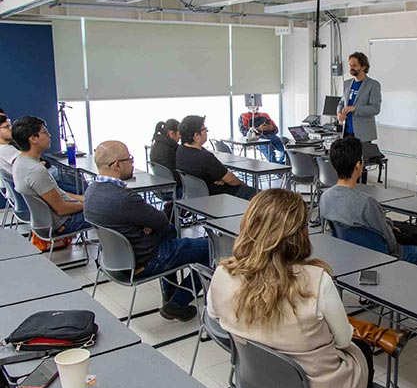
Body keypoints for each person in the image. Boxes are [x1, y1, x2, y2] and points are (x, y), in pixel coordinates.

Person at [207, 188, 406, 388]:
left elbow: (213, 316)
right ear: (299, 234)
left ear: (249, 224)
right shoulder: (316, 280)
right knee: (361, 350)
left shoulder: (223, 273)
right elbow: (343, 341)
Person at [84, 140, 208, 321]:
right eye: (130, 159)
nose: (133, 163)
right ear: (117, 165)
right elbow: (162, 222)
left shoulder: (91, 191)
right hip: (148, 259)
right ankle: (177, 303)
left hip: (117, 260)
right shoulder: (124, 199)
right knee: (211, 247)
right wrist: (148, 227)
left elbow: (157, 225)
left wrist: (149, 227)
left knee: (170, 234)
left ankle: (171, 293)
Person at [319, 137, 417, 269]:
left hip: (348, 254)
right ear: (358, 165)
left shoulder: (325, 197)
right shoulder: (367, 203)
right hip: (381, 257)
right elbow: (391, 244)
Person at [12, 116, 89, 236]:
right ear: (33, 138)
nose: (49, 135)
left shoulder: (20, 162)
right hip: (65, 222)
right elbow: (62, 208)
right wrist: (89, 205)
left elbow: (58, 193)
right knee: (113, 211)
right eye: (44, 132)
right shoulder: (35, 171)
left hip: (52, 220)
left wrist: (85, 199)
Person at [175, 115, 257, 200]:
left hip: (195, 194)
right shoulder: (205, 157)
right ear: (196, 135)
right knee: (263, 197)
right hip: (218, 196)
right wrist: (242, 184)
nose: (207, 131)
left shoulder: (180, 150)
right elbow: (231, 180)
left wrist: (221, 179)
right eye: (204, 129)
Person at [336, 52, 381, 143]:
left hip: (363, 134)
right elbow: (341, 102)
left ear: (364, 67)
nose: (351, 68)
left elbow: (375, 109)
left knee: (361, 157)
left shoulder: (373, 85)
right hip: (346, 132)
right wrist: (339, 113)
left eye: (355, 65)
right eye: (350, 65)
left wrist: (355, 108)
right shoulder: (347, 83)